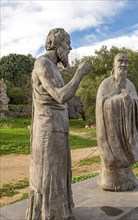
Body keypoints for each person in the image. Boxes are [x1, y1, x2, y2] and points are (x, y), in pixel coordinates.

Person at [26, 28, 91, 220]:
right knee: (49, 176)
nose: (70, 48)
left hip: (58, 129)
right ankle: (48, 215)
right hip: (48, 131)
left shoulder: (54, 67)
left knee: (59, 174)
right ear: (55, 44)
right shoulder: (43, 63)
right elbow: (60, 96)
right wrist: (79, 74)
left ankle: (59, 212)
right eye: (67, 43)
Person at [96, 53, 138, 192]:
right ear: (114, 65)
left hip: (126, 131)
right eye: (120, 61)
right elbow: (101, 105)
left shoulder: (130, 85)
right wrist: (119, 100)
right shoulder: (105, 84)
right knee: (112, 163)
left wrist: (130, 101)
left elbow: (137, 103)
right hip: (111, 132)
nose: (124, 64)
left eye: (126, 62)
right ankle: (110, 180)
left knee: (126, 160)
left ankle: (127, 176)